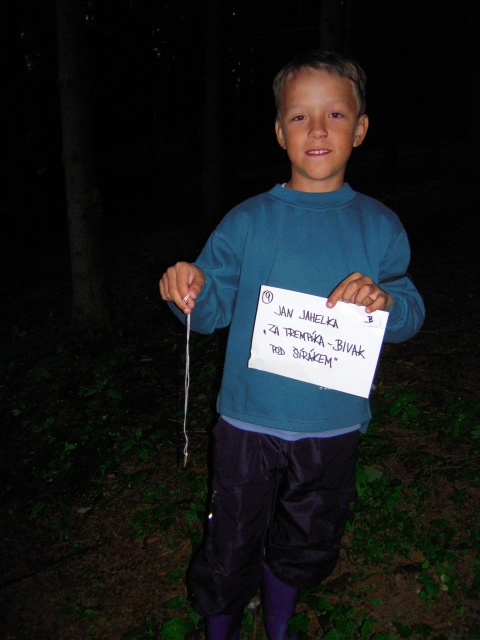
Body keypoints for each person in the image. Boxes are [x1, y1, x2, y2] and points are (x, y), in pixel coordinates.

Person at [159, 50, 425, 640]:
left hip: (332, 426)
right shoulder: (247, 221)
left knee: (307, 538)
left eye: (335, 114)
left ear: (360, 128)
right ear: (280, 131)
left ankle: (279, 625)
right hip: (247, 425)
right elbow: (211, 309)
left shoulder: (380, 225)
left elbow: (409, 312)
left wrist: (384, 302)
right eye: (300, 116)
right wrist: (188, 288)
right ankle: (221, 628)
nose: (318, 129)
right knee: (230, 540)